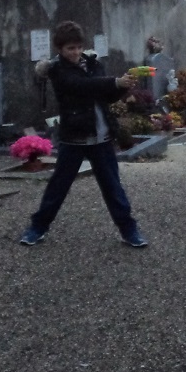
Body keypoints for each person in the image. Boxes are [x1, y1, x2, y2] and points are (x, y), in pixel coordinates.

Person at [20, 20, 148, 248]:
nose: (76, 52)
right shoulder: (57, 70)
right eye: (70, 48)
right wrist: (114, 82)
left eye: (78, 47)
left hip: (101, 137)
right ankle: (37, 227)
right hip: (75, 137)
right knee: (58, 186)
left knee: (113, 187)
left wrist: (123, 87)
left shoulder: (93, 64)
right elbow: (79, 86)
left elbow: (104, 96)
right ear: (60, 49)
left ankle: (129, 230)